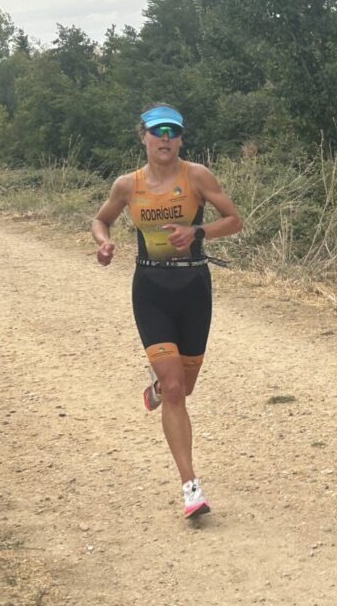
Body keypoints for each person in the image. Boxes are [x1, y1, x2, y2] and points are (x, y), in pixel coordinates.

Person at [91, 103, 242, 520]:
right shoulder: (128, 184)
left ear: (181, 139)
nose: (165, 138)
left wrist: (198, 231)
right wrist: (103, 243)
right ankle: (190, 487)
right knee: (177, 388)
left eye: (173, 132)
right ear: (142, 136)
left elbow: (234, 220)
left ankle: (158, 389)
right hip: (151, 288)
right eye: (157, 131)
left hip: (194, 286)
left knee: (183, 387)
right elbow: (100, 220)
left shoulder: (196, 176)